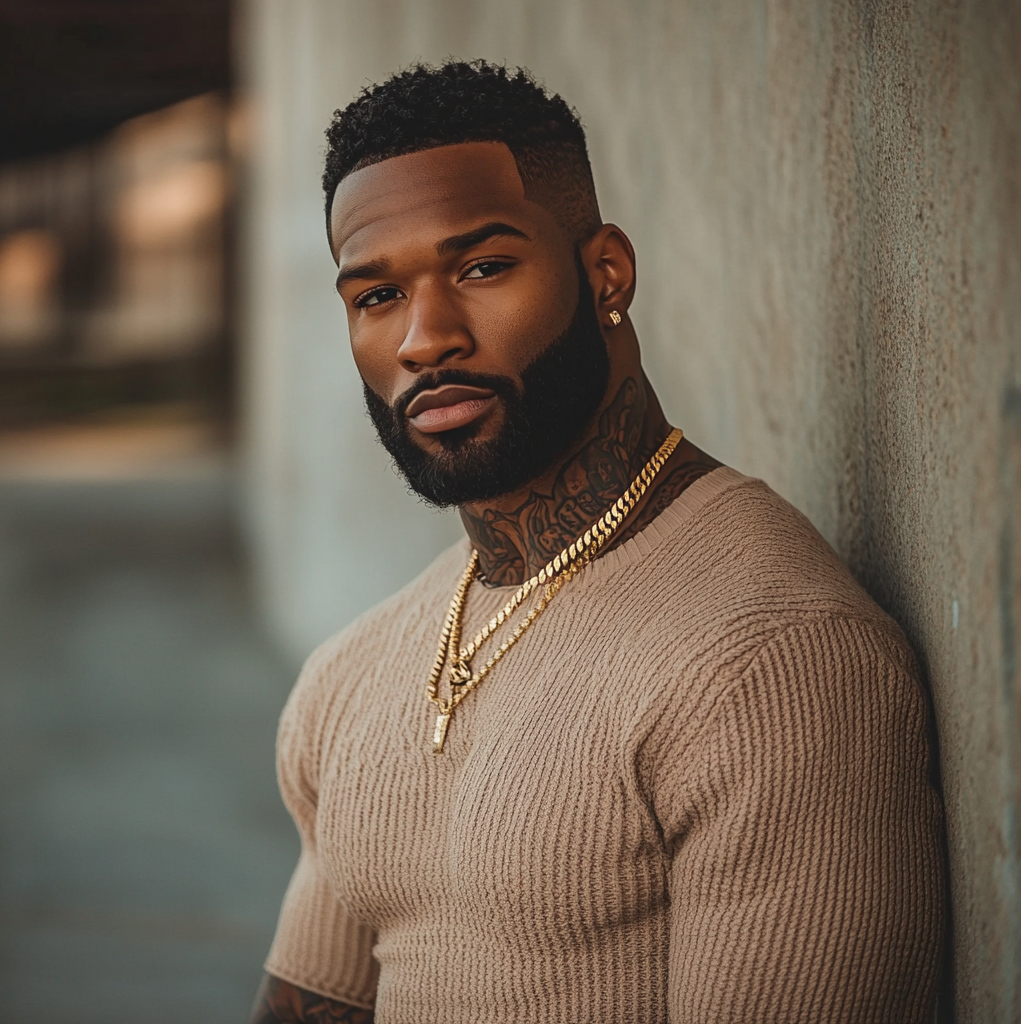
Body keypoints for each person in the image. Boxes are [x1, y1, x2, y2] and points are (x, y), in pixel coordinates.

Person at [250, 60, 944, 1024]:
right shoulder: (353, 675)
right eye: (376, 296)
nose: (425, 338)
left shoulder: (771, 663)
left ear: (605, 273)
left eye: (483, 268)